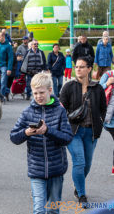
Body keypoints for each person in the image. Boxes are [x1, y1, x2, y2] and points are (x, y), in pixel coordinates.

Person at [10, 72, 73, 214]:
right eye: (35, 93)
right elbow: (13, 137)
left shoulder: (60, 111)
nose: (38, 96)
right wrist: (26, 133)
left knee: (52, 210)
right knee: (39, 209)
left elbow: (67, 137)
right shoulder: (27, 112)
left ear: (50, 91)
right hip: (36, 170)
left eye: (42, 92)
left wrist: (47, 131)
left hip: (56, 170)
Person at [59, 56, 107, 206]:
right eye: (76, 66)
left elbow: (103, 109)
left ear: (89, 69)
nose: (78, 69)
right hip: (74, 132)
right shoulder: (69, 87)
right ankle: (81, 194)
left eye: (81, 66)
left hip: (91, 133)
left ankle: (77, 184)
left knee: (87, 164)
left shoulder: (97, 88)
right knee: (79, 162)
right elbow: (60, 109)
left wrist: (100, 122)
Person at [0, 32, 13, 102]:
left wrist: (9, 69)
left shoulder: (8, 46)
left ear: (3, 37)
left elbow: (11, 58)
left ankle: (2, 96)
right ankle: (5, 93)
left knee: (3, 81)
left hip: (4, 66)